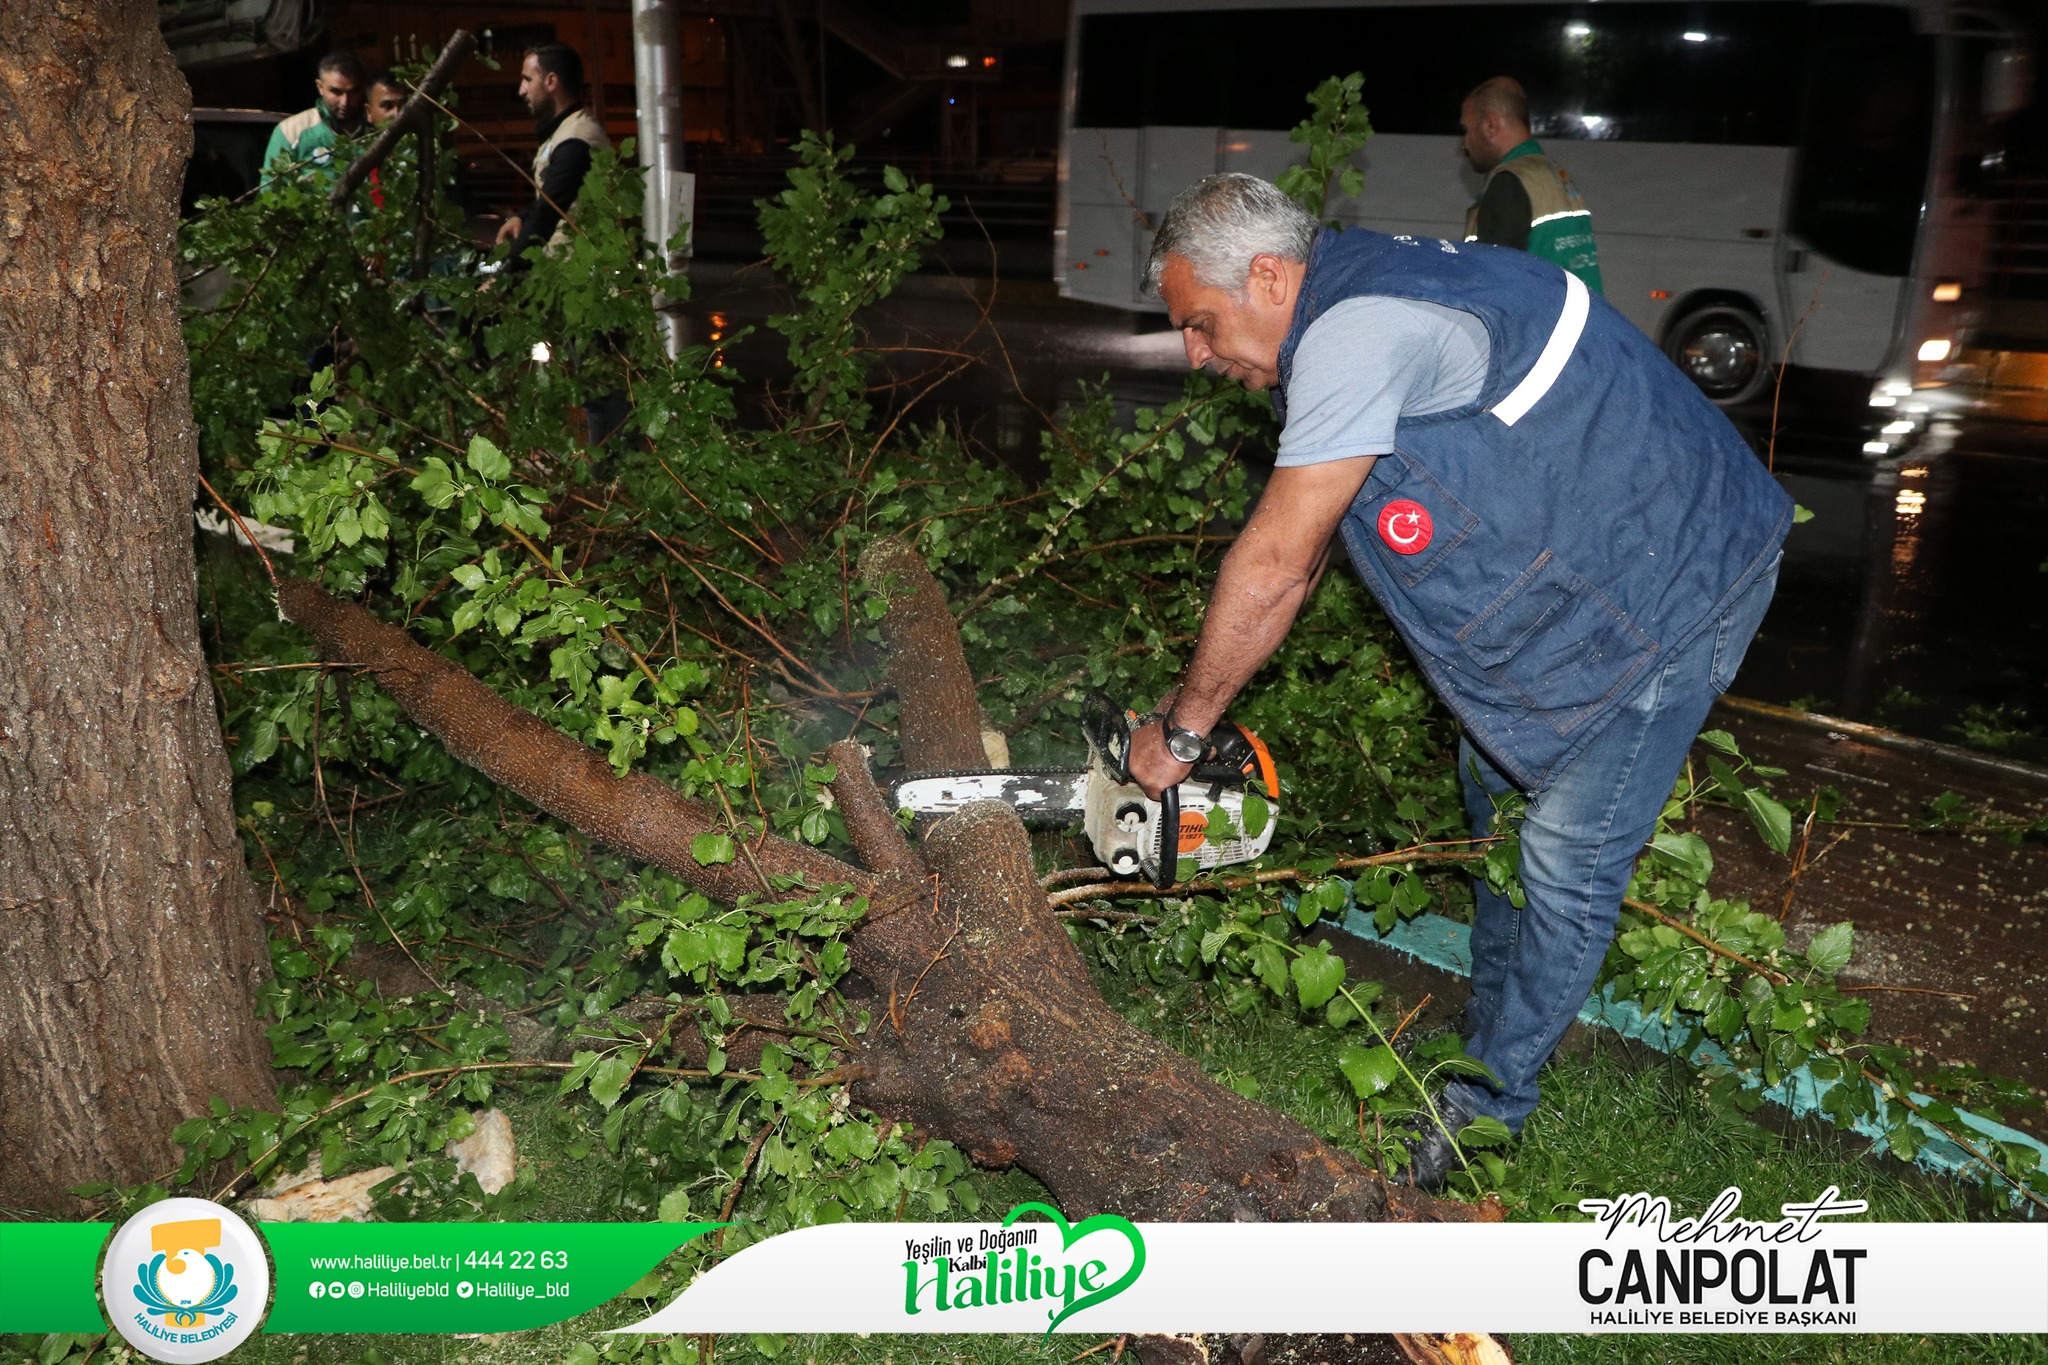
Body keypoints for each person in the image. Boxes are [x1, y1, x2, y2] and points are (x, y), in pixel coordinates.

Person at [1128, 173, 1790, 1190]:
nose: (1195, 353)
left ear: (1266, 276)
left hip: (1677, 584)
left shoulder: (1354, 332)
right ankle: (1489, 1019)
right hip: (1599, 555)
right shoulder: (1358, 295)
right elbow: (1309, 555)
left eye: (1202, 324)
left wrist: (1179, 734)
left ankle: (1483, 1116)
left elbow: (1272, 565)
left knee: (1567, 862)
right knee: (1491, 803)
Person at [1458, 77, 1603, 293]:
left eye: (1467, 130)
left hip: (1543, 324)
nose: (1464, 144)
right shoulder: (1551, 174)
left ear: (1491, 124)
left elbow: (1493, 287)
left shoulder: (1509, 183)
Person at [495, 43, 611, 262]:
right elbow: (556, 198)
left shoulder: (576, 141)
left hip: (579, 274)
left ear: (551, 82)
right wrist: (522, 216)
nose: (521, 90)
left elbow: (547, 214)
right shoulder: (567, 131)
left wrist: (503, 279)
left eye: (528, 79)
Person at [263, 51, 366, 178]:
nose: (345, 101)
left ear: (362, 89)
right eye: (336, 92)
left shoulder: (377, 128)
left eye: (353, 92)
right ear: (320, 87)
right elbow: (271, 190)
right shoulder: (290, 131)